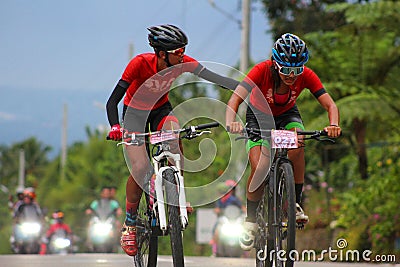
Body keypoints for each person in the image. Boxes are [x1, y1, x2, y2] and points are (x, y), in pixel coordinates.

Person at [105, 24, 239, 256]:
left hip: (160, 109)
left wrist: (243, 87)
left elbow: (212, 76)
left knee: (175, 135)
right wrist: (116, 126)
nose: (182, 55)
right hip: (134, 112)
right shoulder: (139, 63)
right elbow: (112, 101)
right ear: (161, 54)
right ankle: (130, 223)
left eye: (183, 50)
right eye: (177, 52)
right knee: (140, 167)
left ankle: (179, 192)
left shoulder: (182, 62)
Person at [225, 33, 341, 250]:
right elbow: (235, 99)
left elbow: (330, 105)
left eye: (297, 70)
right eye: (287, 70)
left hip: (288, 115)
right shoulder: (261, 70)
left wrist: (333, 124)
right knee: (260, 167)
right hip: (258, 116)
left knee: (299, 141)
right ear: (275, 64)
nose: (292, 76)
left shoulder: (306, 75)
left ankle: (294, 203)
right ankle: (250, 220)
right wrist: (232, 122)